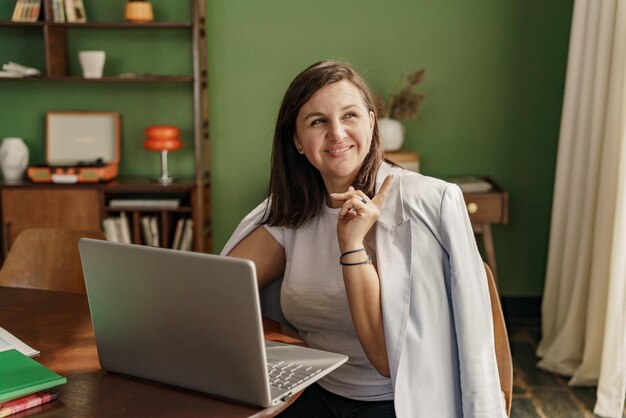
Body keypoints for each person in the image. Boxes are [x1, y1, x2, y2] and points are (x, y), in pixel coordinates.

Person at [221, 60, 506, 417]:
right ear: (296, 140)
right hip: (313, 393)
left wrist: (352, 245)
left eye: (350, 115)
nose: (337, 133)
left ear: (372, 122)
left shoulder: (426, 205)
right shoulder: (290, 213)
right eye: (317, 121)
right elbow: (218, 293)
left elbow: (387, 359)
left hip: (396, 403)